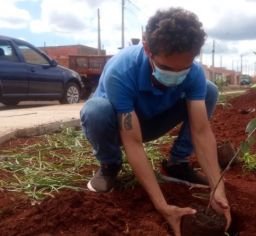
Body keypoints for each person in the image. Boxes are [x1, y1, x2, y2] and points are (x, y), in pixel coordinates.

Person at [80, 7, 231, 235]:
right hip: (118, 125)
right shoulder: (122, 71)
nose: (177, 75)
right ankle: (110, 165)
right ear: (148, 49)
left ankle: (177, 164)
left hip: (154, 121)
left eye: (185, 68)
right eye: (167, 68)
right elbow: (133, 141)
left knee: (208, 90)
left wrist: (217, 187)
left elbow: (201, 131)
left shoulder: (194, 74)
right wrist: (163, 206)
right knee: (96, 110)